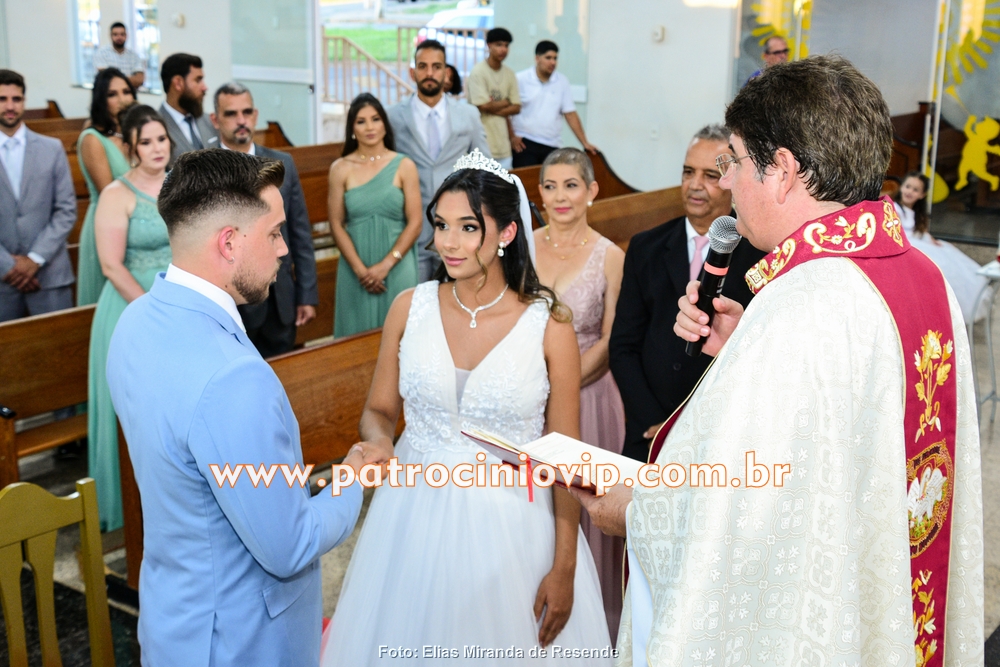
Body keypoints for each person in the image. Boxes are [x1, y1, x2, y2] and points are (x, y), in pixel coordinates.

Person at [576, 56, 984, 667]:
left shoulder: (801, 306)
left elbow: (739, 516)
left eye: (736, 161)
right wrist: (742, 348)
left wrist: (634, 513)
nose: (728, 183)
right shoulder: (921, 275)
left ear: (783, 171)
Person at [321, 151, 612, 666]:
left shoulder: (549, 324)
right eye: (440, 225)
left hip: (513, 527)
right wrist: (380, 440)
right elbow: (380, 410)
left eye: (467, 227)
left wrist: (564, 564)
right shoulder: (410, 307)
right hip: (410, 514)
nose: (448, 243)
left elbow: (565, 458)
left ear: (506, 233)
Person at [107, 148, 372, 666]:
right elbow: (290, 545)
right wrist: (353, 478)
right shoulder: (233, 377)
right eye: (273, 233)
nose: (283, 250)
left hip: (172, 621)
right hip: (240, 640)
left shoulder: (134, 321)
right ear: (229, 243)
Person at [609, 124, 764, 462]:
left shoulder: (760, 255)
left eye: (710, 175)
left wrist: (693, 426)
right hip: (648, 431)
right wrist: (654, 422)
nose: (695, 184)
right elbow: (623, 346)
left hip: (718, 436)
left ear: (731, 179)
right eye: (688, 172)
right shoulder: (646, 247)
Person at [533, 147, 625, 640]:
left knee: (584, 511)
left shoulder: (610, 256)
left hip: (589, 397)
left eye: (571, 185)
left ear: (591, 191)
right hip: (528, 398)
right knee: (534, 511)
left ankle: (592, 626)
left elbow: (611, 340)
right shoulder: (521, 247)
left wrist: (560, 385)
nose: (560, 196)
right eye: (550, 186)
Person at [87, 105, 172, 531]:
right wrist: (154, 310)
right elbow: (111, 265)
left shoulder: (180, 184)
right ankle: (127, 512)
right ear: (131, 149)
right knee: (133, 411)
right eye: (146, 142)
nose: (157, 148)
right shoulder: (116, 194)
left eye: (162, 139)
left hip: (174, 305)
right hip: (130, 309)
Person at [210, 82, 318, 357]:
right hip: (229, 303)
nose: (241, 120)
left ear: (256, 115)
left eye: (247, 112)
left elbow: (300, 233)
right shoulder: (204, 169)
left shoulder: (283, 163)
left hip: (279, 300)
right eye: (231, 114)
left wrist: (307, 294)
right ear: (215, 120)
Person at [388, 39, 491, 281]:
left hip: (457, 226)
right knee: (416, 297)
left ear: (446, 72)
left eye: (436, 67)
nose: (429, 73)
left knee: (456, 294)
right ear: (413, 72)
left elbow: (484, 166)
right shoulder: (393, 117)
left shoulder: (468, 115)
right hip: (411, 226)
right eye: (422, 66)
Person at [328, 93, 421, 338]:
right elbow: (336, 224)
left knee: (401, 338)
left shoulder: (405, 165)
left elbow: (415, 222)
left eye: (375, 119)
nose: (369, 127)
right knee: (354, 342)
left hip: (397, 266)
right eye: (361, 121)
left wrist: (387, 264)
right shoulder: (340, 169)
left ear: (385, 125)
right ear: (352, 129)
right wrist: (361, 271)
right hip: (355, 268)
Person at [0, 69, 76, 322]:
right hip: (2, 280)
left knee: (59, 345)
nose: (10, 106)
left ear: (24, 101)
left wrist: (34, 259)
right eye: (2, 99)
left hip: (49, 274)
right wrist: (8, 265)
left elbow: (66, 210)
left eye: (16, 99)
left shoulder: (51, 149)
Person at [894, 170, 989, 324]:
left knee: (950, 257)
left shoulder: (916, 212)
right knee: (940, 266)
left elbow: (920, 231)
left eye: (915, 189)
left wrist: (932, 241)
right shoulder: (895, 208)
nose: (910, 192)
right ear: (901, 187)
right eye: (908, 186)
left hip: (918, 240)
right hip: (907, 243)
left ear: (922, 195)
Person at [76, 68, 136, 306]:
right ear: (101, 100)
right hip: (107, 225)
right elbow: (109, 194)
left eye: (126, 92)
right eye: (112, 94)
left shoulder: (135, 135)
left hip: (137, 224)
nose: (122, 99)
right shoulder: (92, 138)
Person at [511, 41, 598, 168]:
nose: (553, 62)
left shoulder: (562, 81)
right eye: (548, 58)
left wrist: (585, 143)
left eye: (555, 58)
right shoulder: (520, 79)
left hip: (552, 145)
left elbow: (570, 114)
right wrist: (512, 136)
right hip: (525, 143)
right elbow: (508, 110)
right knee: (525, 180)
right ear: (537, 58)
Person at [467, 28, 520, 170]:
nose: (503, 49)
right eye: (499, 45)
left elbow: (517, 107)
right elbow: (482, 106)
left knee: (505, 182)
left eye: (506, 45)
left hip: (503, 146)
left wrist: (492, 105)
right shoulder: (478, 72)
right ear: (489, 45)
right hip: (482, 144)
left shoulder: (509, 74)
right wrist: (506, 101)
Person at [158, 53, 218, 163]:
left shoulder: (209, 121)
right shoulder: (156, 126)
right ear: (178, 83)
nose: (205, 87)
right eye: (198, 80)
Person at [92, 22, 145, 90]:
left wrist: (115, 79)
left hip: (129, 95)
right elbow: (105, 79)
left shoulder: (134, 56)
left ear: (126, 36)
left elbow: (139, 80)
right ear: (111, 36)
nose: (119, 37)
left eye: (122, 34)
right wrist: (130, 80)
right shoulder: (102, 53)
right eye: (115, 34)